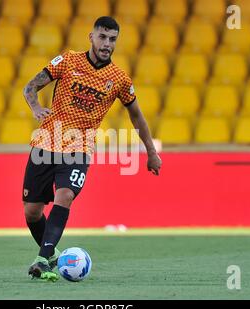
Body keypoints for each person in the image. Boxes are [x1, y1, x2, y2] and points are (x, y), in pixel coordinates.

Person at [22, 16, 162, 281]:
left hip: (79, 145)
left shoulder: (119, 79)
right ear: (91, 37)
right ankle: (51, 255)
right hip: (45, 143)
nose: (107, 44)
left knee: (65, 195)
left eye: (112, 39)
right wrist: (36, 108)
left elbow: (137, 116)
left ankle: (43, 259)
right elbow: (31, 86)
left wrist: (151, 152)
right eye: (102, 37)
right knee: (32, 211)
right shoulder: (68, 61)